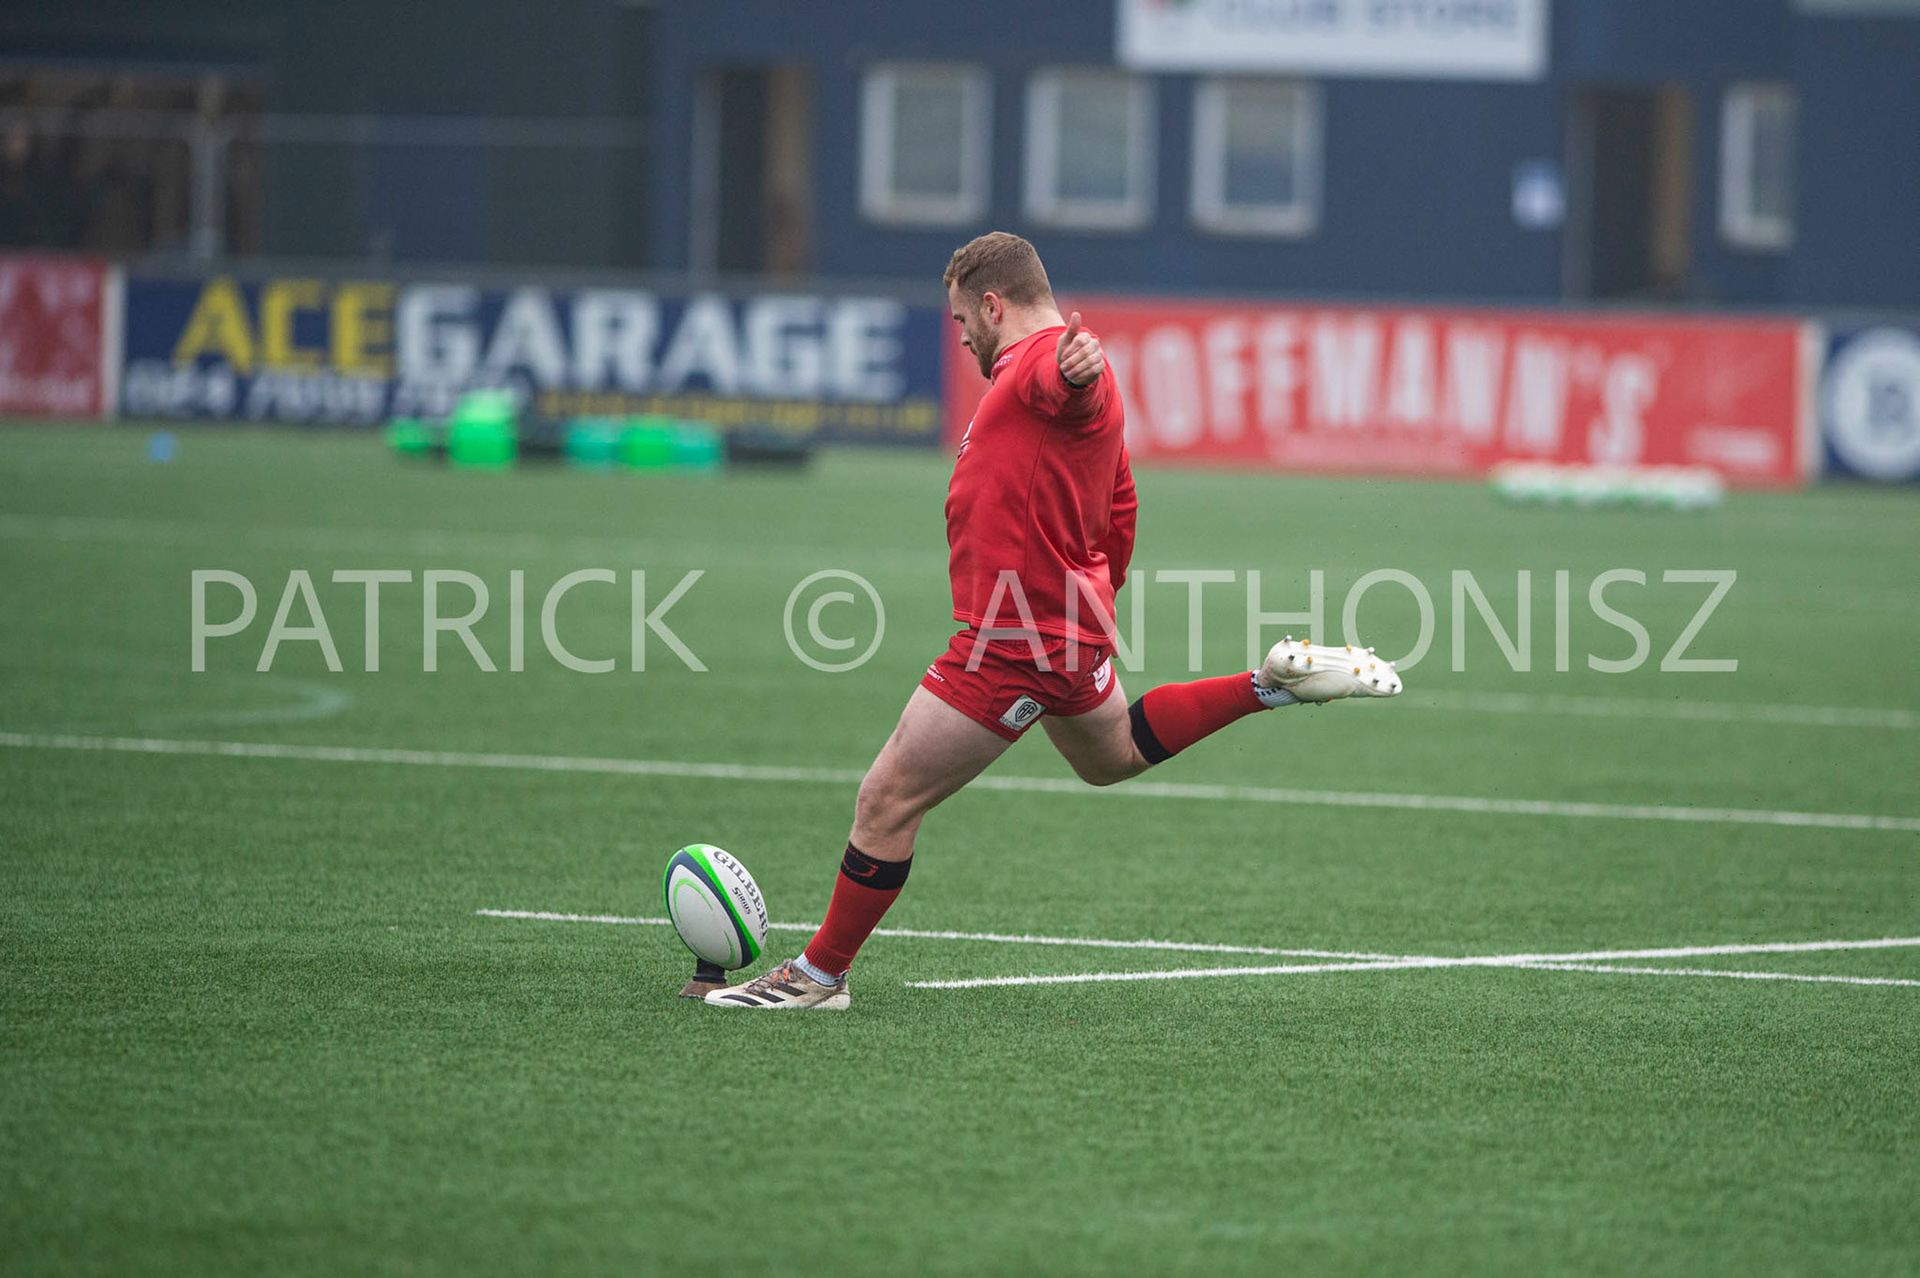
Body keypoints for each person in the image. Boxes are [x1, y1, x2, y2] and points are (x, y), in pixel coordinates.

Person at [707, 232, 1400, 1010]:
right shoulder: (1036, 377)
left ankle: (818, 977)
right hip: (1064, 629)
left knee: (886, 799)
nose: (960, 334)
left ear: (993, 305)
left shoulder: (1042, 363)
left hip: (1014, 639)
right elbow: (1122, 505)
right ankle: (1268, 685)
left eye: (963, 318)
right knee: (1112, 755)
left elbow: (1071, 380)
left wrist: (1080, 375)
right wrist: (1095, 606)